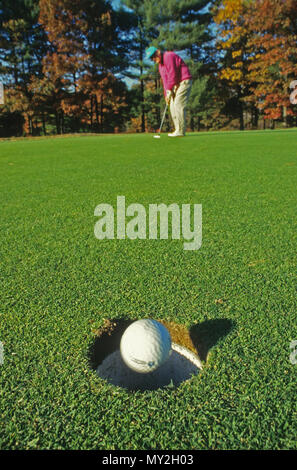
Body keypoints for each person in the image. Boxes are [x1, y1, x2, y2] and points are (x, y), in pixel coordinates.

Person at [145, 46, 192, 137]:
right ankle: (177, 129)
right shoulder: (160, 66)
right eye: (151, 58)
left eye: (154, 56)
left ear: (158, 52)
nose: (153, 59)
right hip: (175, 83)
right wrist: (166, 94)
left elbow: (172, 74)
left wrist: (170, 88)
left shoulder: (168, 56)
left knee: (178, 103)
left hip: (184, 80)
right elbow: (165, 80)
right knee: (171, 105)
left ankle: (181, 131)